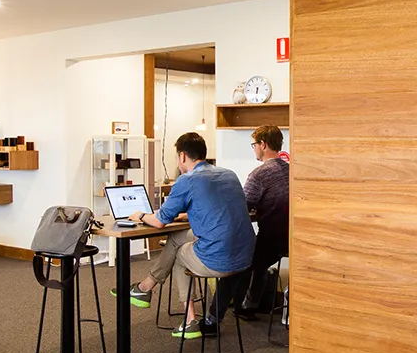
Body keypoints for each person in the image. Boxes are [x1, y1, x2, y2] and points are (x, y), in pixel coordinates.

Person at [116, 132, 255, 338]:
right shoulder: (228, 174)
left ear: (182, 156)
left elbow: (159, 221)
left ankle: (189, 319)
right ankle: (144, 287)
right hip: (245, 256)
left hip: (220, 258)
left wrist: (140, 215)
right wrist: (184, 215)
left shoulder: (186, 180)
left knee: (179, 254)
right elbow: (214, 211)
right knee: (178, 237)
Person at [234, 124, 289, 319]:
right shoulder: (291, 170)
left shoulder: (259, 174)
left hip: (272, 240)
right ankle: (255, 302)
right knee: (259, 260)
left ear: (263, 144)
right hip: (292, 238)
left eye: (254, 144)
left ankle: (244, 307)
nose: (255, 149)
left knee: (245, 260)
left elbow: (242, 205)